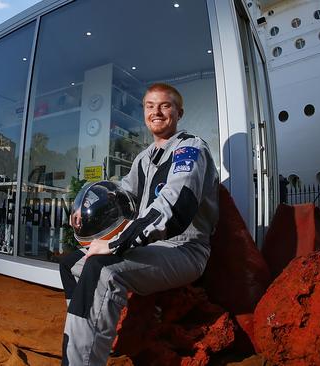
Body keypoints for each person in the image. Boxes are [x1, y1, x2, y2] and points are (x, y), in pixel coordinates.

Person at [59, 83, 219, 365]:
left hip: (185, 250)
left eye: (165, 105)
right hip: (150, 246)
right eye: (149, 106)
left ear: (179, 113)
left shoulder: (190, 149)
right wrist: (84, 209)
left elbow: (175, 206)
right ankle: (84, 332)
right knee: (71, 264)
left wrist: (116, 243)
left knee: (101, 268)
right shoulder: (144, 158)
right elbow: (121, 196)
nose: (156, 111)